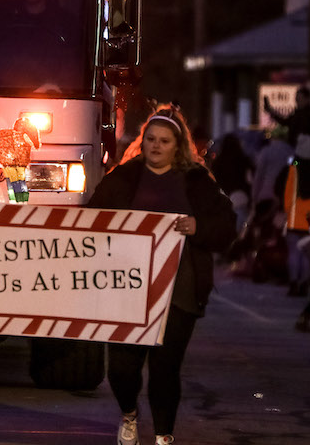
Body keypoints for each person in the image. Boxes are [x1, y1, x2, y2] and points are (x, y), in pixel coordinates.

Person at [86, 105, 237, 445]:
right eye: (151, 139)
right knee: (122, 369)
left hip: (179, 292)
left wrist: (199, 227)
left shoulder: (198, 181)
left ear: (178, 145)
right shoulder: (124, 177)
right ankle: (129, 415)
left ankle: (163, 436)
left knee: (165, 369)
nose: (156, 146)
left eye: (164, 141)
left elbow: (227, 226)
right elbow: (92, 219)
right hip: (125, 291)